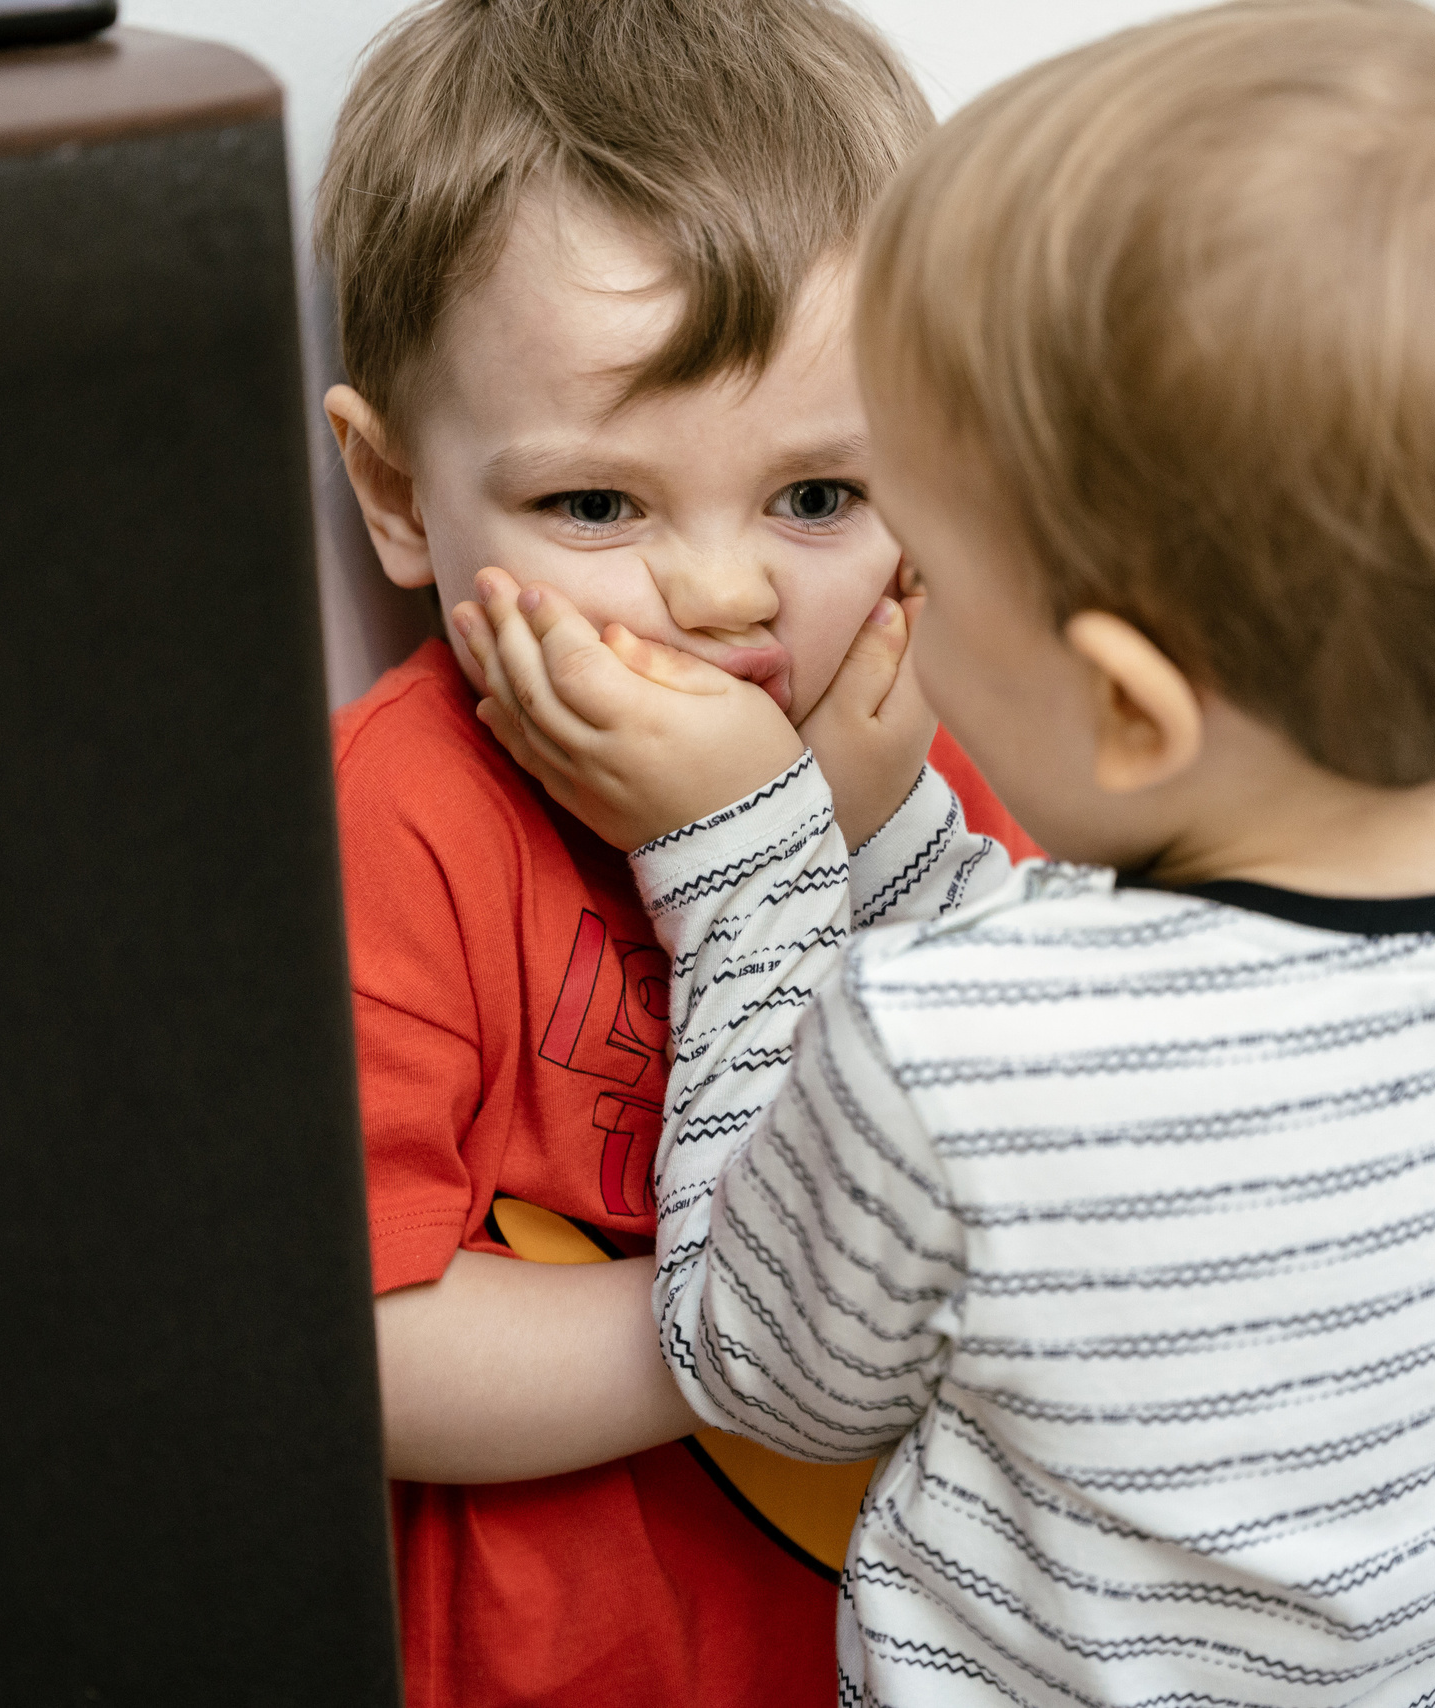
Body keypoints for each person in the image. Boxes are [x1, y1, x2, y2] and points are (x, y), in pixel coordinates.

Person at [456, 0, 1435, 1701]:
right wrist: (899, 828)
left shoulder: (946, 1051)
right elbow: (1157, 1040)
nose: (884, 609)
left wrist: (751, 868)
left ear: (1126, 707)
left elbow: (756, 1365)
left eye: (928, 568)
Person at [310, 1, 1038, 1703]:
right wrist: (761, 1335)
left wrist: (860, 842)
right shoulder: (399, 821)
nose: (726, 596)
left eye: (816, 498)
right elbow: (354, 1345)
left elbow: (1040, 1189)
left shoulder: (915, 738)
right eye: (597, 508)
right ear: (401, 493)